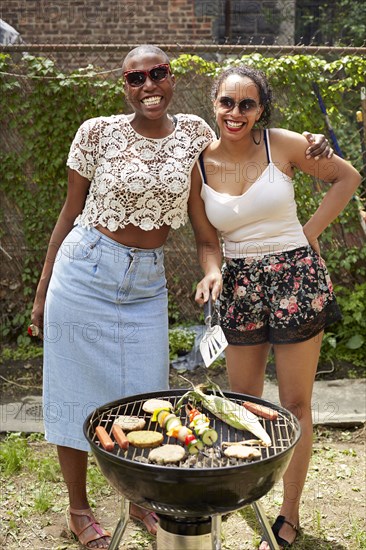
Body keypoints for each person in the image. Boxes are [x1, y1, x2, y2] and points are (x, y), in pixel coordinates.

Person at [30, 44, 332, 549]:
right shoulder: (96, 133)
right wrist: (42, 292)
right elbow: (69, 213)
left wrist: (311, 142)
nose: (148, 85)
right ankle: (79, 509)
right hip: (83, 272)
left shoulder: (196, 133)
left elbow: (246, 143)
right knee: (73, 394)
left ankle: (141, 501)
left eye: (158, 73)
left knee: (148, 396)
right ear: (123, 86)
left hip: (146, 283)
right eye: (135, 78)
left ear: (172, 80)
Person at [196, 65, 361, 549]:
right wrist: (212, 270)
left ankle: (287, 515)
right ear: (214, 104)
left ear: (261, 109)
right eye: (227, 102)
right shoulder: (199, 162)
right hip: (239, 283)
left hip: (295, 279)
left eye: (247, 104)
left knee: (294, 404)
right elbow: (207, 238)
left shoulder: (283, 144)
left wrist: (305, 236)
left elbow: (347, 177)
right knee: (242, 403)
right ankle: (244, 499)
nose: (236, 113)